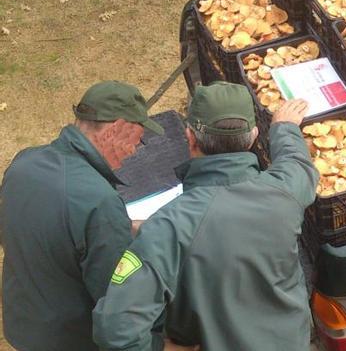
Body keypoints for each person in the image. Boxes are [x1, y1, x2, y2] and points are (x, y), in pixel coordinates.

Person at [93, 82, 319, 351]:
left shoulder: (168, 226)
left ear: (189, 137)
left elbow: (117, 331)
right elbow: (298, 165)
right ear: (254, 136)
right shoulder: (285, 192)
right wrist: (285, 127)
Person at [0, 80, 164, 350]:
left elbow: (48, 229)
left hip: (23, 325)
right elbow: (117, 301)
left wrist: (123, 227)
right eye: (136, 140)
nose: (135, 150)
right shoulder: (99, 202)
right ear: (113, 131)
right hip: (69, 339)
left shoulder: (23, 161)